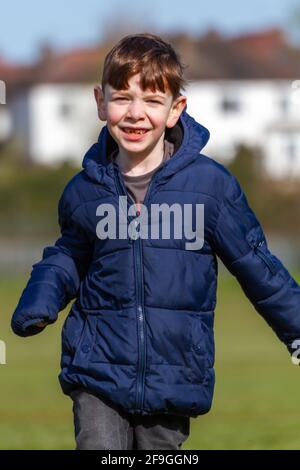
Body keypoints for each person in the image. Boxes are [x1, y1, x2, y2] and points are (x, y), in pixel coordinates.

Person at [11, 33, 300, 450]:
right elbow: (70, 255)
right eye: (122, 97)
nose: (135, 113)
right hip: (97, 369)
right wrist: (41, 297)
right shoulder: (84, 191)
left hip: (175, 374)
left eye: (151, 100)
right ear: (100, 102)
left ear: (174, 109)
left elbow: (258, 268)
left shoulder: (210, 188)